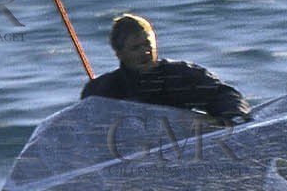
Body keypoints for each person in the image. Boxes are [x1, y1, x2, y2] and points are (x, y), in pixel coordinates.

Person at [80, 14, 250, 124]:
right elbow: (84, 125)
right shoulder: (102, 90)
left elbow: (224, 94)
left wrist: (233, 117)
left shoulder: (179, 76)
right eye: (135, 48)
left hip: (181, 151)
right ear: (119, 54)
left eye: (148, 45)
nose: (145, 52)